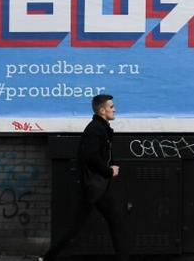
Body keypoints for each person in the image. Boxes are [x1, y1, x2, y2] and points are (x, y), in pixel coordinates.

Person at [41, 94, 130, 261]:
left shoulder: (99, 128)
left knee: (78, 226)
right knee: (116, 222)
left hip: (94, 186)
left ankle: (48, 257)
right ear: (102, 110)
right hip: (95, 187)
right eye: (111, 107)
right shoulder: (95, 129)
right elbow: (90, 156)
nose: (115, 109)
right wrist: (109, 171)